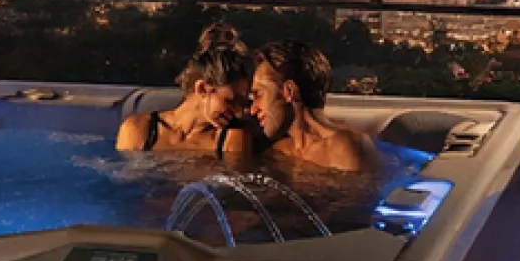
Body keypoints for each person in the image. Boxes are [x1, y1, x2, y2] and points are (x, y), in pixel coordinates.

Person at [116, 24, 256, 161]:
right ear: (201, 88)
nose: (239, 112)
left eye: (242, 102)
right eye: (230, 101)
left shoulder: (231, 139)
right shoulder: (139, 130)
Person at [248, 40, 379, 173]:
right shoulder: (278, 153)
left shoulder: (344, 149)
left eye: (258, 94)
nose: (253, 110)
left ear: (289, 92)